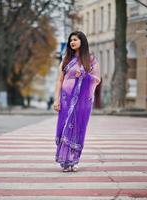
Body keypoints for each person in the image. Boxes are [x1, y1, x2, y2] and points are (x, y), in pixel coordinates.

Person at [53, 31, 101, 172]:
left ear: (82, 41)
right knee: (65, 127)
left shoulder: (90, 59)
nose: (72, 42)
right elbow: (59, 80)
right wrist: (57, 99)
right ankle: (64, 161)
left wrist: (84, 75)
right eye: (70, 40)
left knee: (77, 128)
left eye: (75, 39)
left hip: (82, 101)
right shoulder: (66, 59)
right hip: (66, 99)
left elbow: (97, 78)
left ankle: (73, 160)